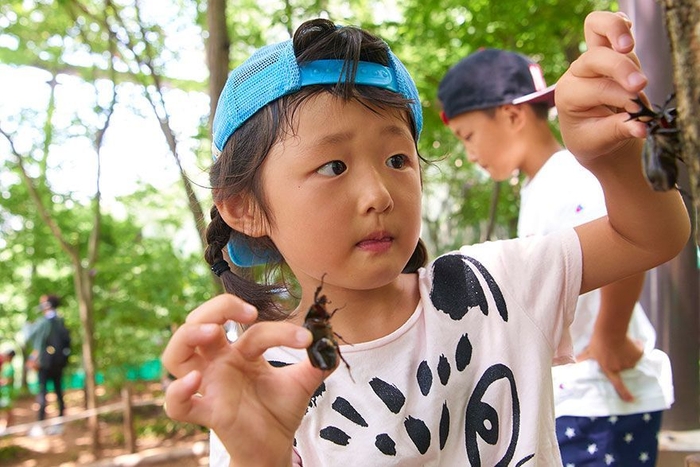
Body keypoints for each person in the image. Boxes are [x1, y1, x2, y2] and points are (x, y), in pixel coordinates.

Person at [161, 12, 690, 466]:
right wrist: (261, 456)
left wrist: (614, 158)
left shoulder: (497, 288)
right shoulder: (258, 381)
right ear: (245, 208)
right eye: (333, 166)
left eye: (397, 159)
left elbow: (647, 237)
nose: (378, 194)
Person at [437, 45, 674, 465]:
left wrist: (610, 336)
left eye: (468, 136)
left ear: (512, 115)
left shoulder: (567, 176)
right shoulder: (541, 184)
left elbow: (625, 238)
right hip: (585, 395)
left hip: (601, 396)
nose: (470, 154)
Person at [27, 294, 68, 424]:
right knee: (58, 390)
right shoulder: (60, 320)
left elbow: (33, 339)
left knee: (43, 391)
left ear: (47, 305)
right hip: (58, 363)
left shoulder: (43, 322)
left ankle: (41, 422)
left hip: (44, 363)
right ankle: (61, 419)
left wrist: (28, 327)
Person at [0, 348, 17, 430]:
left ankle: (9, 426)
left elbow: (8, 380)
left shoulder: (10, 367)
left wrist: (1, 382)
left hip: (7, 392)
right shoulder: (5, 366)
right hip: (4, 392)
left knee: (8, 410)